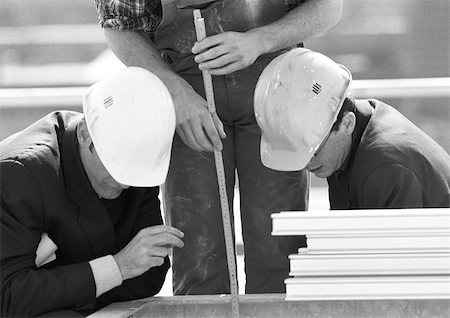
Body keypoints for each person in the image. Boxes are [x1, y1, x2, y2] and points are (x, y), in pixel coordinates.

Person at [94, 0, 343, 295]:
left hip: (277, 87)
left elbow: (328, 7)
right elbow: (120, 26)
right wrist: (176, 93)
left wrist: (259, 40)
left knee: (279, 250)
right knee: (198, 256)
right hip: (187, 96)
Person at [0, 67, 185, 317]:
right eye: (118, 167)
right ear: (86, 133)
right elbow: (9, 297)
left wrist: (71, 282)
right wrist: (117, 267)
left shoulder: (138, 168)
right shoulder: (20, 175)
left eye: (133, 173)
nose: (125, 184)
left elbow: (148, 277)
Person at [255, 48, 450, 209]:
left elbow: (394, 254)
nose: (306, 162)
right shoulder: (353, 132)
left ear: (347, 123)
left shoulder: (386, 171)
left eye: (313, 151)